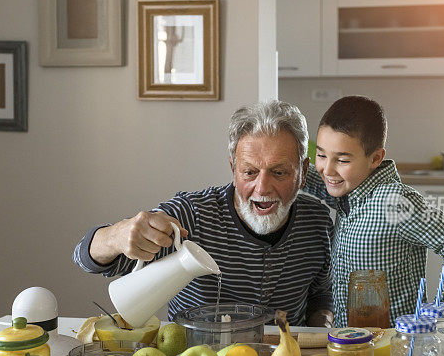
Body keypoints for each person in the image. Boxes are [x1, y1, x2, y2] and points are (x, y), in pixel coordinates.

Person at [73, 100, 334, 327]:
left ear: (302, 173)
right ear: (233, 168)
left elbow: (321, 293)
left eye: (279, 173)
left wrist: (322, 325)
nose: (262, 188)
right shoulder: (190, 215)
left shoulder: (318, 223)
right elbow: (86, 257)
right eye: (249, 172)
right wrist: (117, 235)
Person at [301, 95, 444, 327]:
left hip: (395, 348)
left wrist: (437, 318)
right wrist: (284, 167)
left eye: (342, 160)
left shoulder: (395, 202)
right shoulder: (348, 192)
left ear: (375, 158)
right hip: (352, 346)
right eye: (322, 155)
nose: (327, 169)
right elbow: (315, 179)